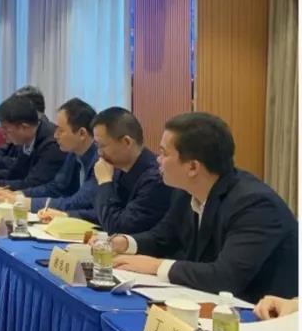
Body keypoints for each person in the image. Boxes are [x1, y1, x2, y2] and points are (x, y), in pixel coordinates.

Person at [110, 112, 298, 303]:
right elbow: (162, 237)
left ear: (193, 167)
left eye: (164, 153)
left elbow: (226, 276)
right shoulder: (186, 191)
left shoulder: (255, 205)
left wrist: (156, 266)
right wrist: (124, 243)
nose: (158, 159)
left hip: (261, 311)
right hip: (207, 301)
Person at [63, 107, 172, 234]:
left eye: (102, 146)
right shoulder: (118, 168)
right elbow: (103, 212)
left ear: (126, 142)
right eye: (97, 146)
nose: (99, 153)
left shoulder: (155, 179)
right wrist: (67, 215)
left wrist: (105, 183)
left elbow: (118, 227)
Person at [2, 98, 98, 217]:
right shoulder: (74, 154)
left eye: (61, 130)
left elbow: (79, 202)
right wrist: (21, 194)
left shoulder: (99, 160)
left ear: (82, 134)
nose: (55, 135)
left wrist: (28, 203)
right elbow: (56, 187)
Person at [0, 95, 65, 190]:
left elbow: (32, 184)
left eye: (5, 129)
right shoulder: (26, 138)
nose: (2, 134)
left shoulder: (52, 145)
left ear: (24, 127)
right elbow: (17, 173)